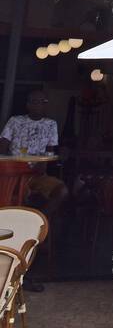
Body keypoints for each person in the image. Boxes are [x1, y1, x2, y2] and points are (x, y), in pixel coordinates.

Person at [0, 89, 69, 255]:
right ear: (28, 104)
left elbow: (50, 152)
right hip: (12, 174)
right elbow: (2, 147)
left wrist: (42, 164)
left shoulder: (51, 124)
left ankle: (37, 226)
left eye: (44, 102)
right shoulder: (15, 121)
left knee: (62, 191)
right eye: (36, 101)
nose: (40, 105)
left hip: (36, 175)